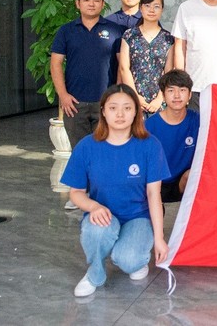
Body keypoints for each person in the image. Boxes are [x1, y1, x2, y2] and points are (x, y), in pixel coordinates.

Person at [60, 84, 170, 297]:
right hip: (104, 214)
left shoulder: (150, 145)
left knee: (128, 260)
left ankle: (133, 252)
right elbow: (76, 192)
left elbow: (153, 194)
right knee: (97, 231)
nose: (120, 114)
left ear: (136, 112)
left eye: (127, 108)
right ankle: (95, 273)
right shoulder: (87, 146)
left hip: (138, 217)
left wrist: (159, 238)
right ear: (103, 111)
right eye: (113, 108)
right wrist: (93, 206)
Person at [51, 0, 126, 149]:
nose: (91, 4)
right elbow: (55, 63)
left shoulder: (115, 30)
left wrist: (117, 94)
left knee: (106, 150)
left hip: (106, 102)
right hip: (74, 104)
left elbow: (123, 64)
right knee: (80, 152)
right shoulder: (66, 31)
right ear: (77, 3)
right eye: (86, 0)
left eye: (96, 0)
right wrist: (63, 95)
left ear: (103, 3)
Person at [145, 70, 199, 204]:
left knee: (194, 174)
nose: (177, 95)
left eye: (182, 90)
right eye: (171, 90)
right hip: (155, 184)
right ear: (163, 95)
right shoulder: (149, 126)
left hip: (182, 183)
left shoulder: (198, 121)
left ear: (190, 95)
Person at [119, 0, 174, 116]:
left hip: (160, 102)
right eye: (147, 5)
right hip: (133, 99)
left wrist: (160, 98)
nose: (152, 10)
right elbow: (124, 68)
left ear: (162, 9)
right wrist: (135, 96)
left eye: (156, 6)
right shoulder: (129, 35)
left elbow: (169, 71)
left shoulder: (168, 38)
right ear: (141, 8)